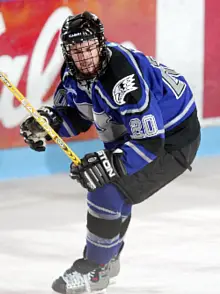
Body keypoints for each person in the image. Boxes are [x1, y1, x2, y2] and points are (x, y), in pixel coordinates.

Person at [20, 11, 201, 294]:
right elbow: (79, 116)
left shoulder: (122, 77)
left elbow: (151, 142)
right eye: (77, 50)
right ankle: (108, 259)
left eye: (90, 48)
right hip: (136, 131)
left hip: (174, 139)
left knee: (106, 185)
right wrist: (49, 123)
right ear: (67, 52)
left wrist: (112, 163)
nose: (84, 57)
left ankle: (95, 268)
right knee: (112, 183)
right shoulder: (71, 74)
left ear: (101, 44)